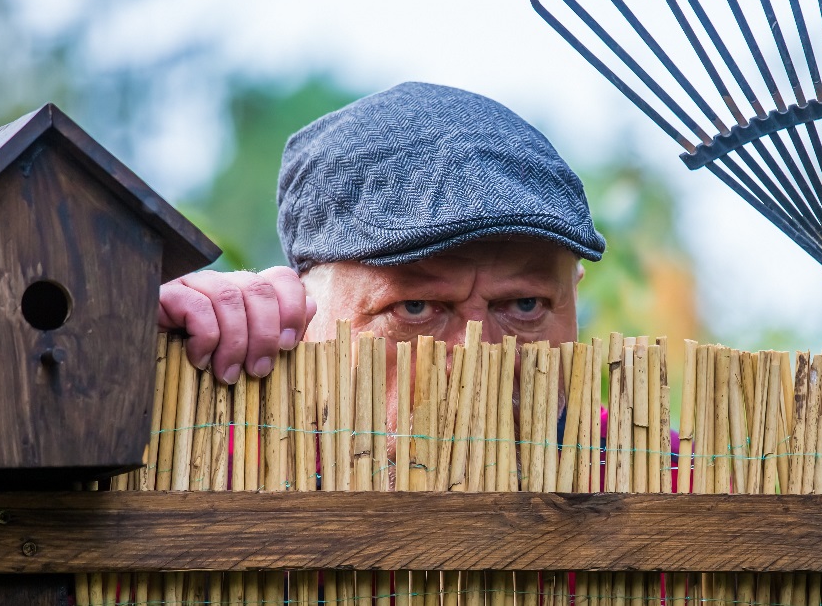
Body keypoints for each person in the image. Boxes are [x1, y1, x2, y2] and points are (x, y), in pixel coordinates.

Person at [157, 82, 606, 429]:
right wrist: (133, 353)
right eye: (415, 309)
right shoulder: (206, 454)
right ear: (302, 309)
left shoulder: (658, 475)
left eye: (525, 306)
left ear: (574, 292)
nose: (477, 365)